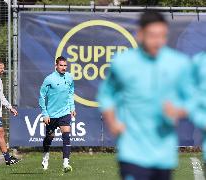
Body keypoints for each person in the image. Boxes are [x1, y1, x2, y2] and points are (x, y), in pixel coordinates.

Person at [97, 11, 194, 180]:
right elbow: (106, 95)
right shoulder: (122, 63)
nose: (158, 41)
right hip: (132, 152)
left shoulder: (179, 64)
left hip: (164, 154)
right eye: (152, 35)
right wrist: (112, 123)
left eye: (162, 36)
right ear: (140, 34)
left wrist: (178, 111)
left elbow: (194, 100)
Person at [39, 56, 76, 173]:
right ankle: (45, 157)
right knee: (50, 137)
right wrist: (45, 113)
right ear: (56, 66)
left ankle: (66, 162)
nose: (63, 68)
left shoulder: (69, 77)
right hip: (51, 114)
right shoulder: (49, 79)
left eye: (65, 65)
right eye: (61, 65)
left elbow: (71, 93)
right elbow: (41, 96)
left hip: (65, 112)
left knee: (66, 134)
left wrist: (72, 107)